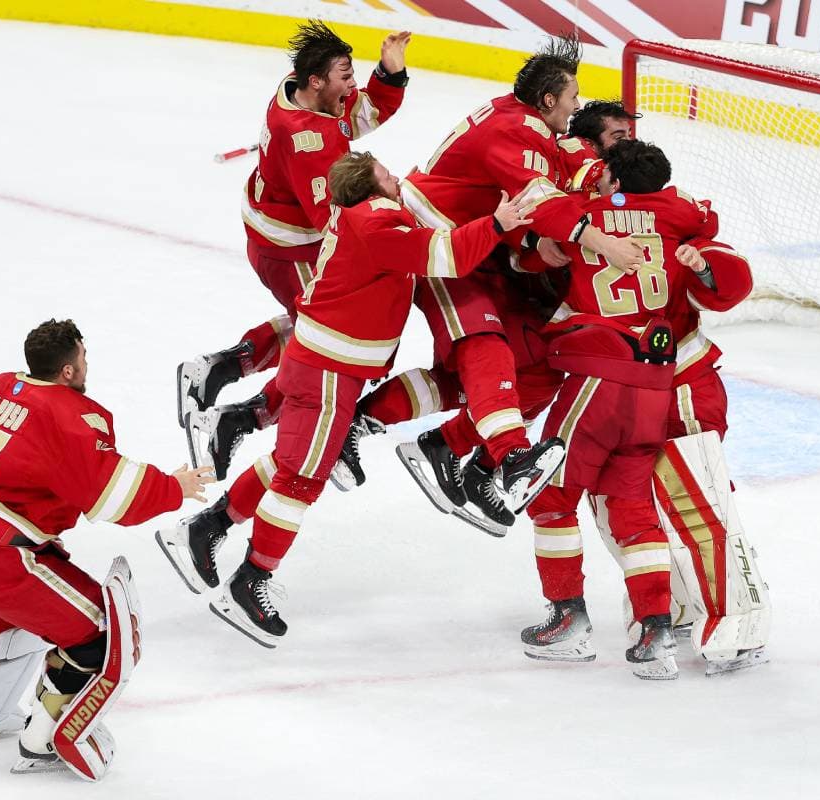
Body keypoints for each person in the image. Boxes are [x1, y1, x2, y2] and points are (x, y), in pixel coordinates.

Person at [155, 152, 559, 647]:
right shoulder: (377, 223)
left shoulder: (363, 218)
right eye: (388, 176)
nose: (398, 178)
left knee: (291, 463)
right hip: (327, 373)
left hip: (322, 365)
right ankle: (250, 580)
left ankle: (208, 527)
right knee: (300, 480)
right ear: (371, 191)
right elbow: (444, 255)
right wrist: (497, 222)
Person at [337, 36, 646, 524]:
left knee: (481, 378)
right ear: (549, 101)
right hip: (435, 241)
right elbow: (542, 199)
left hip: (468, 245)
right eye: (571, 98)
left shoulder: (526, 123)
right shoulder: (518, 130)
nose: (575, 106)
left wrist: (539, 244)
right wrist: (604, 243)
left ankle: (372, 424)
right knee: (485, 349)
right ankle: (509, 459)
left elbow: (539, 198)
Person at [0, 319, 213, 780]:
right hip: (4, 560)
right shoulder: (70, 413)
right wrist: (173, 488)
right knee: (103, 631)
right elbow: (110, 494)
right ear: (67, 370)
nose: (85, 364)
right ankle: (45, 741)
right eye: (82, 356)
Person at [511, 139, 726, 679]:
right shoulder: (681, 215)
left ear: (612, 177)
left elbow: (539, 211)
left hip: (599, 376)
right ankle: (655, 633)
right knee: (630, 503)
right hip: (656, 383)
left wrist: (586, 221)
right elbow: (707, 217)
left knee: (551, 496)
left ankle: (568, 621)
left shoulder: (589, 215)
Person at [175, 20, 412, 478]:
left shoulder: (300, 93)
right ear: (317, 81)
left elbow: (362, 112)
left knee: (324, 330)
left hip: (284, 238)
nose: (353, 86)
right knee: (329, 342)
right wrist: (396, 213)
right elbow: (336, 219)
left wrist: (390, 72)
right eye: (346, 77)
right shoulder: (311, 142)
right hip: (291, 249)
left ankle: (220, 376)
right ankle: (237, 412)